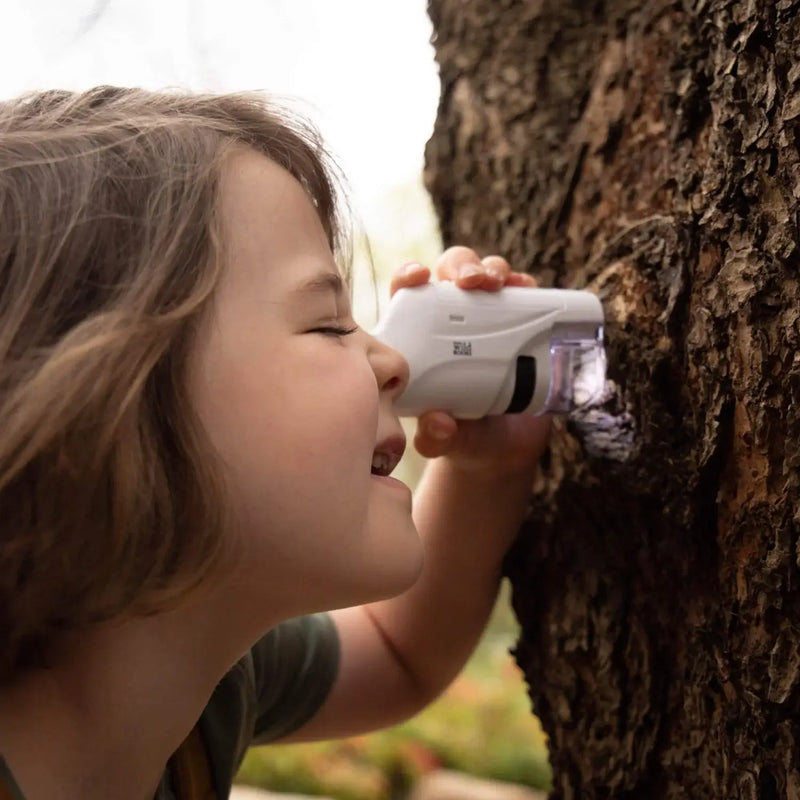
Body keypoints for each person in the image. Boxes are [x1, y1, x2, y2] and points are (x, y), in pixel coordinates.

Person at [0, 87, 551, 800]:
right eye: (328, 324)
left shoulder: (209, 679)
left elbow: (396, 652)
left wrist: (486, 471)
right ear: (107, 404)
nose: (394, 364)